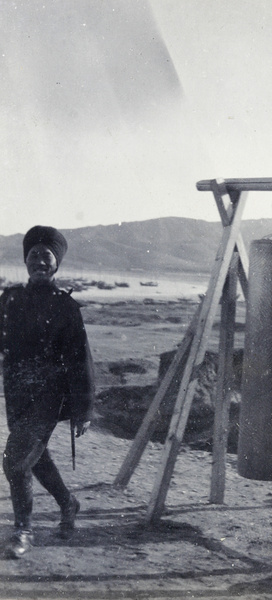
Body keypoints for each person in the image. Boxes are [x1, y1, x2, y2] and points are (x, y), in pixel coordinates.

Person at [0, 225, 95, 559]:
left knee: (14, 461)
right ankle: (68, 504)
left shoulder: (66, 307)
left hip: (47, 395)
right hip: (15, 391)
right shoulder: (10, 298)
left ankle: (23, 531)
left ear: (57, 264)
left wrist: (83, 411)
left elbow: (80, 361)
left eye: (46, 256)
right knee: (33, 460)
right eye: (33, 255)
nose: (39, 261)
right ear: (26, 261)